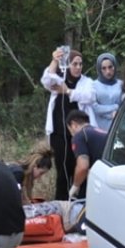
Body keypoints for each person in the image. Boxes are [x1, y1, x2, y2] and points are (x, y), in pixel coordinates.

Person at [41, 47, 96, 201]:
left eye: (80, 64)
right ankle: (61, 202)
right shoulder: (60, 78)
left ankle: (81, 201)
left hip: (80, 134)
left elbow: (89, 96)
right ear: (68, 65)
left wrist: (68, 91)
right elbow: (46, 80)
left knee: (80, 167)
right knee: (63, 169)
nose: (78, 67)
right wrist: (55, 60)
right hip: (59, 133)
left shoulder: (87, 82)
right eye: (74, 64)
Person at [65, 110, 109, 199]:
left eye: (69, 130)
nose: (71, 134)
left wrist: (75, 186)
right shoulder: (103, 132)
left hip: (100, 182)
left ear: (73, 125)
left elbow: (83, 167)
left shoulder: (80, 136)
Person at [89, 52, 122, 131]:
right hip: (99, 128)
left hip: (118, 127)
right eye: (104, 68)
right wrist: (115, 107)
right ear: (99, 69)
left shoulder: (121, 84)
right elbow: (94, 108)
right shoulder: (93, 85)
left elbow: (124, 105)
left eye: (110, 67)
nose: (108, 71)